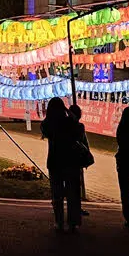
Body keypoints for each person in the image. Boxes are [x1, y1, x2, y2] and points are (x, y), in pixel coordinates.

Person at [40, 98, 89, 232]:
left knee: (57, 194)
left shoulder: (49, 124)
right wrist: (69, 113)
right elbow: (78, 128)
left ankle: (59, 221)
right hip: (71, 161)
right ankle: (73, 222)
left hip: (55, 161)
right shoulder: (70, 123)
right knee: (73, 192)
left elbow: (44, 128)